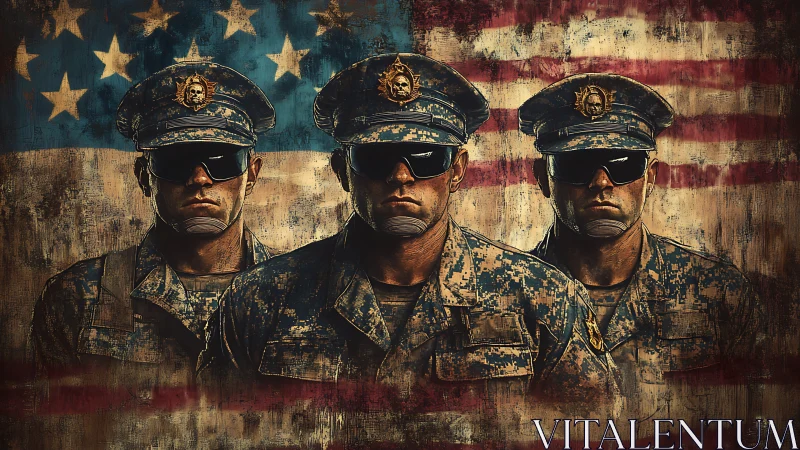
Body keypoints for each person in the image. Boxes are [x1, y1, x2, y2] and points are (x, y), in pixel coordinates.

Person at [198, 54, 619, 403]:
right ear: (343, 172)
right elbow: (211, 432)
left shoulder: (544, 298)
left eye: (425, 157)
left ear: (457, 170)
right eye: (378, 157)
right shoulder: (258, 299)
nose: (401, 176)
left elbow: (590, 431)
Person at [519, 73, 764, 419]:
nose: (601, 181)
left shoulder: (719, 294)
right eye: (577, 164)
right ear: (543, 177)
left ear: (651, 176)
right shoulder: (502, 297)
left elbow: (761, 417)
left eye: (622, 164)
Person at [29, 62, 274, 385]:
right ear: (145, 177)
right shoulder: (75, 299)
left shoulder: (306, 293)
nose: (199, 178)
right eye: (175, 160)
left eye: (221, 160)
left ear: (251, 175)